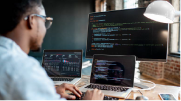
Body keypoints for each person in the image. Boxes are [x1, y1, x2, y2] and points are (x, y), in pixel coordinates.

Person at [0, 0, 104, 101]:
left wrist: (50, 93)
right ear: (31, 20)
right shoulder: (25, 70)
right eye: (45, 21)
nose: (45, 29)